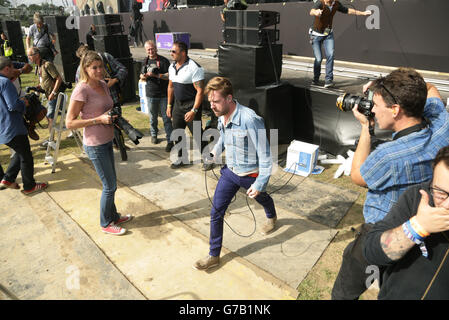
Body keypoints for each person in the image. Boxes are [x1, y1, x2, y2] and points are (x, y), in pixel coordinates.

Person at [331, 67, 449, 300]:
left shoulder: (388, 156)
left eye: (375, 106)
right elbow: (429, 88)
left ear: (395, 110)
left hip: (382, 230)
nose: (371, 109)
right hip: (423, 230)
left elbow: (357, 175)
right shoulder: (442, 125)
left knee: (346, 290)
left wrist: (366, 128)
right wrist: (386, 87)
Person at [193, 77, 277, 270]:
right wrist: (215, 151)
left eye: (216, 101)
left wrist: (259, 184)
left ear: (229, 98)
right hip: (230, 172)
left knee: (262, 197)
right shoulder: (222, 114)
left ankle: (271, 216)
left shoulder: (250, 119)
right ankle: (214, 255)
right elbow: (223, 136)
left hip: (251, 175)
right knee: (216, 212)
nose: (212, 106)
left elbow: (265, 156)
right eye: (210, 102)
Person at [364, 145, 449, 300]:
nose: (446, 205)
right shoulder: (416, 198)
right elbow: (372, 252)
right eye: (440, 192)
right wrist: (417, 227)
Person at [65, 51, 133, 235]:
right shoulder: (81, 89)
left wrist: (113, 116)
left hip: (107, 140)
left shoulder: (103, 84)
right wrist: (98, 120)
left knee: (112, 183)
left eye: (101, 66)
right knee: (109, 186)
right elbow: (69, 122)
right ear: (85, 69)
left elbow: (106, 108)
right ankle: (105, 223)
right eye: (94, 67)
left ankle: (114, 215)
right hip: (94, 144)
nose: (99, 70)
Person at [0, 56, 48, 194]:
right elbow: (13, 105)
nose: (14, 72)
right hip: (12, 126)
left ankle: (8, 179)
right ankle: (29, 186)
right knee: (26, 157)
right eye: (13, 69)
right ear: (8, 68)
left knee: (20, 152)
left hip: (3, 127)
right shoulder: (5, 82)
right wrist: (24, 103)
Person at [167, 41, 210, 170]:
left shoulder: (195, 68)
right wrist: (169, 105)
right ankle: (181, 159)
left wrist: (194, 110)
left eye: (174, 51)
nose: (171, 53)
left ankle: (208, 158)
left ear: (183, 53)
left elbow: (200, 91)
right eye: (171, 51)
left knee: (197, 134)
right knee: (177, 132)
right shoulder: (172, 66)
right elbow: (170, 87)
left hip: (191, 105)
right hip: (177, 105)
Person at [309, 0, 371, 88]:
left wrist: (363, 13)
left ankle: (328, 80)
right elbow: (311, 11)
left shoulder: (336, 4)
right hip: (316, 35)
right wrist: (316, 12)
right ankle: (315, 79)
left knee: (330, 55)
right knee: (318, 59)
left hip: (328, 34)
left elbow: (348, 10)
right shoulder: (320, 3)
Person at [140, 40, 173, 152]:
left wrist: (156, 75)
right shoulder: (145, 61)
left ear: (156, 48)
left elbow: (169, 76)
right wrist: (144, 76)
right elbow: (141, 75)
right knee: (152, 118)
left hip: (164, 94)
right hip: (151, 94)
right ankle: (154, 135)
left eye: (152, 48)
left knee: (167, 119)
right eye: (148, 49)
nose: (151, 51)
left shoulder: (163, 61)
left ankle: (170, 141)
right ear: (146, 50)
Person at [27, 47, 63, 148]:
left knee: (50, 117)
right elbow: (44, 80)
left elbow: (58, 78)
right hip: (48, 95)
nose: (29, 57)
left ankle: (51, 141)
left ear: (37, 55)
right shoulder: (38, 66)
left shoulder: (47, 65)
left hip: (55, 96)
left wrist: (53, 92)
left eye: (30, 55)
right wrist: (39, 87)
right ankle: (51, 139)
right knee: (49, 116)